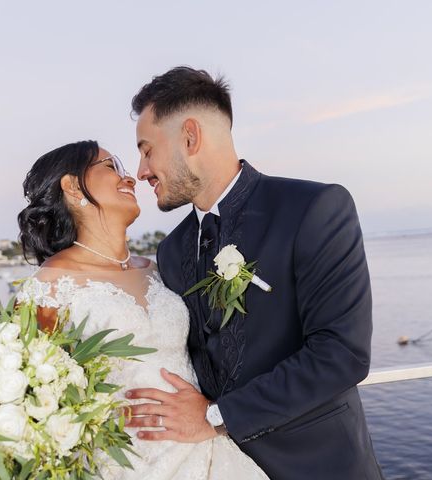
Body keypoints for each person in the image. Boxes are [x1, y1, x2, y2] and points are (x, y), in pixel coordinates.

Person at [126, 66, 385, 479]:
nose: (141, 170)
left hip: (319, 466)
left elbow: (342, 354)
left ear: (190, 137)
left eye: (147, 149)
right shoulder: (171, 250)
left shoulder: (314, 209)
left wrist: (215, 416)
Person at [16, 141, 268, 479]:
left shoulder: (157, 268)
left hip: (206, 448)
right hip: (125, 463)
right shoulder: (49, 285)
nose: (130, 177)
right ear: (72, 185)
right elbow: (32, 393)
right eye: (111, 166)